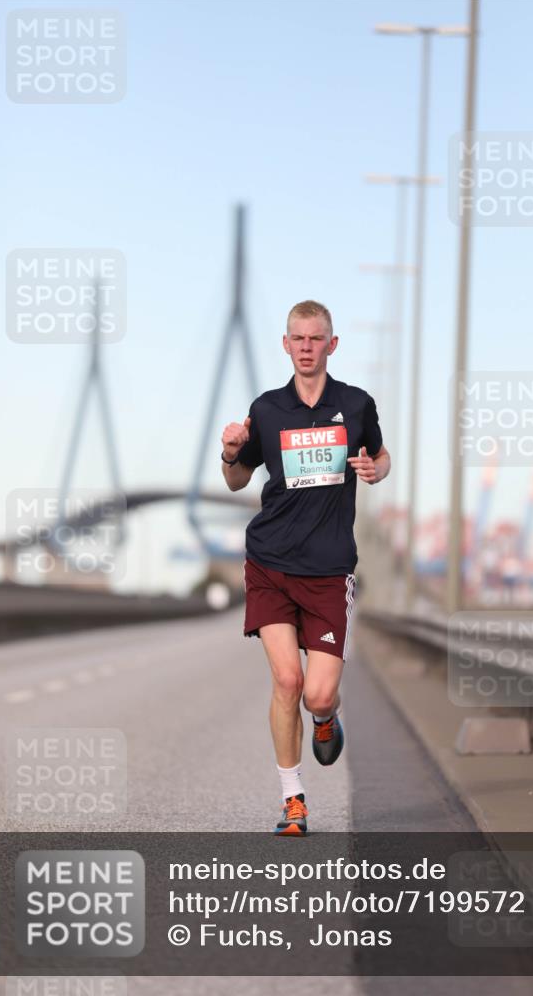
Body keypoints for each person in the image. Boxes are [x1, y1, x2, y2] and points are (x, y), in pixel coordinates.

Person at [221, 300, 391, 835]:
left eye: (316, 339)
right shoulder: (267, 410)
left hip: (328, 568)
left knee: (317, 693)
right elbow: (236, 482)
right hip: (269, 562)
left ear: (331, 345)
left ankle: (324, 718)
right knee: (287, 679)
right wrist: (229, 453)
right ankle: (293, 802)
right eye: (298, 338)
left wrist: (374, 469)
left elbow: (383, 457)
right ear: (286, 344)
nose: (306, 347)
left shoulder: (356, 404)